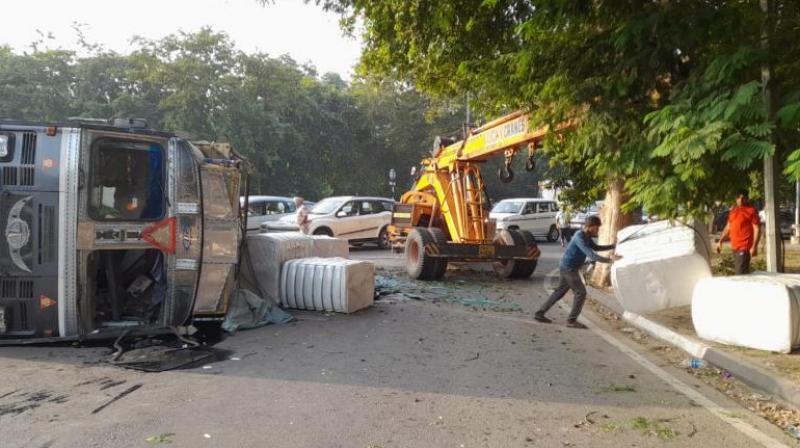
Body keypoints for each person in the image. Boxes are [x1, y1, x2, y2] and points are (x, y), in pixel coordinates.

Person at [535, 216, 621, 329]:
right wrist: (610, 261)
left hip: (569, 267)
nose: (597, 231)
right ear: (590, 227)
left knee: (559, 292)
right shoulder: (579, 236)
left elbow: (596, 247)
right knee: (581, 293)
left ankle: (539, 314)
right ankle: (571, 321)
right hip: (568, 268)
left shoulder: (587, 236)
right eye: (596, 228)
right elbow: (591, 255)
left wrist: (613, 246)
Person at [716, 189, 760, 275]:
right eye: (738, 198)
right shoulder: (733, 211)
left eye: (742, 198)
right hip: (735, 246)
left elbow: (757, 229)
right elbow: (728, 228)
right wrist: (720, 240)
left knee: (740, 274)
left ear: (747, 198)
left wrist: (754, 247)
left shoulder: (751, 211)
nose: (740, 200)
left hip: (744, 247)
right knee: (741, 274)